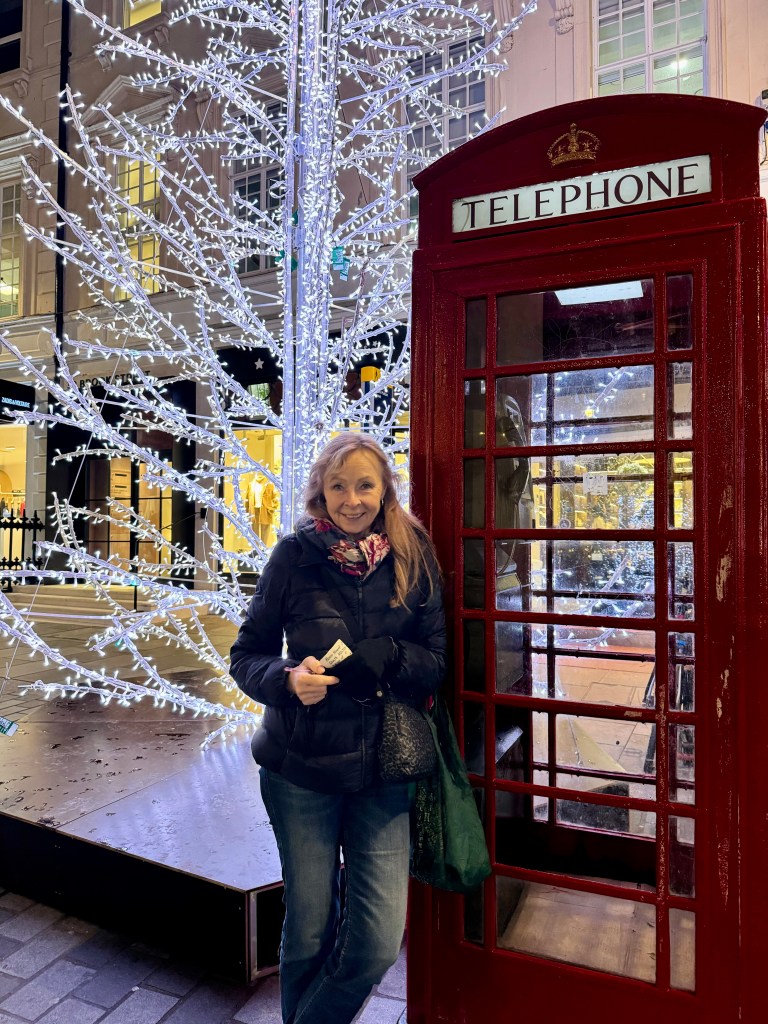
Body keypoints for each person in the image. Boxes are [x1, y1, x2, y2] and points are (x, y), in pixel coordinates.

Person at [230, 433, 446, 1024]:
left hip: (385, 770)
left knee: (377, 943)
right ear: (320, 493)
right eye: (338, 486)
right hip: (301, 769)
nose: (352, 500)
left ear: (385, 490)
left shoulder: (414, 554)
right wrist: (286, 679)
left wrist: (392, 656)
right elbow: (246, 655)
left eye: (365, 485)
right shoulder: (293, 556)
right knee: (308, 931)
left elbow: (438, 660)